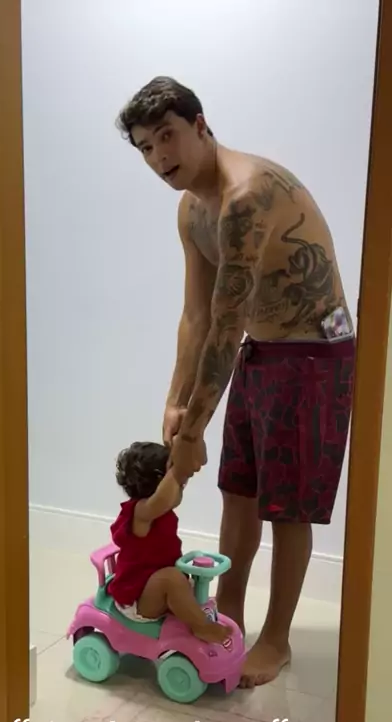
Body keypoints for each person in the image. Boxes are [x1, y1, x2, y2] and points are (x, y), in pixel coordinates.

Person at [116, 77, 355, 688]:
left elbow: (226, 321)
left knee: (287, 507)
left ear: (199, 125)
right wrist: (175, 402)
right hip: (261, 350)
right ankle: (231, 614)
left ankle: (276, 639)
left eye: (166, 136)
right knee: (238, 492)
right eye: (145, 147)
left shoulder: (246, 197)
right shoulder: (190, 210)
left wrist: (194, 431)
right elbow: (196, 316)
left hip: (314, 354)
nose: (159, 156)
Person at [109, 441, 231, 644]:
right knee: (171, 579)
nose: (180, 489)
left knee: (182, 579)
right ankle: (202, 627)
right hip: (137, 599)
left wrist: (181, 469)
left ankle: (194, 614)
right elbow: (163, 499)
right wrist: (176, 470)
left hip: (153, 588)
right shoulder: (141, 513)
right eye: (177, 484)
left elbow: (168, 498)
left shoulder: (161, 510)